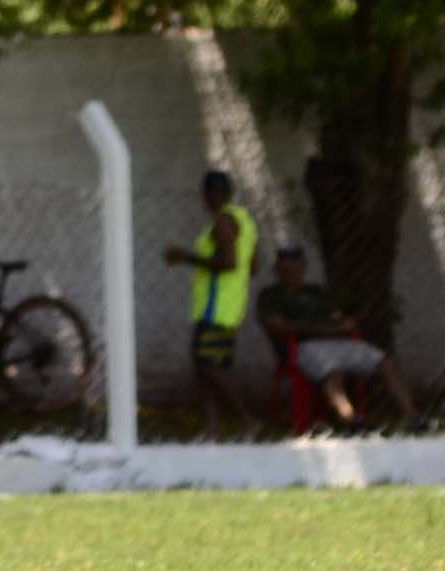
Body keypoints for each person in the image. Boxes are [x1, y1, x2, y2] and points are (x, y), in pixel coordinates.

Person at [260, 242, 414, 426]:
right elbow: (277, 327)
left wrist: (346, 323)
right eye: (285, 266)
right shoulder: (270, 295)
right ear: (277, 269)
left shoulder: (316, 292)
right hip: (303, 346)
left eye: (296, 266)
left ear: (303, 268)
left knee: (386, 363)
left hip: (339, 342)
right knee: (333, 371)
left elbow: (337, 317)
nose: (291, 271)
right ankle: (351, 420)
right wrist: (320, 330)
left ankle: (414, 417)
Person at [162, 169, 259, 439]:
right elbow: (252, 266)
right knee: (205, 368)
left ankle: (248, 420)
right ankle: (212, 429)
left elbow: (229, 263)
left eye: (206, 194)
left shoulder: (223, 222)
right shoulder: (245, 221)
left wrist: (185, 257)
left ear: (211, 194)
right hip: (230, 305)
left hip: (216, 308)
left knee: (207, 366)